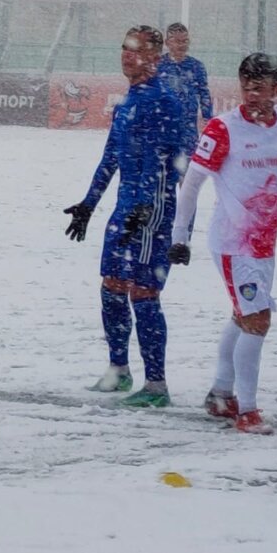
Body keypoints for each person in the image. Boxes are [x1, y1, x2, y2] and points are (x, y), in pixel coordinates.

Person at [168, 52, 277, 435]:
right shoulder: (222, 129)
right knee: (258, 320)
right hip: (232, 242)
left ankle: (221, 395)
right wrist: (180, 237)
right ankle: (248, 412)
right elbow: (191, 184)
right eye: (246, 86)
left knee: (243, 316)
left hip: (265, 241)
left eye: (260, 87)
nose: (251, 94)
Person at [63, 25, 184, 407]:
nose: (127, 55)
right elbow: (112, 156)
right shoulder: (129, 101)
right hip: (125, 206)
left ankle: (156, 386)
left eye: (136, 49)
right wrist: (88, 204)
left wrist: (146, 207)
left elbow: (165, 163)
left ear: (154, 57)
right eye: (124, 47)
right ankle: (118, 370)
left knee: (144, 293)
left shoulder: (163, 100)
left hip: (153, 210)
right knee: (112, 285)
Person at [157, 22, 213, 171]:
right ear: (168, 42)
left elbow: (204, 92)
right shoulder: (158, 65)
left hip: (187, 128)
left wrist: (208, 116)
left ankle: (184, 195)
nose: (182, 45)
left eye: (185, 41)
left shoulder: (196, 66)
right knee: (163, 173)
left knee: (186, 171)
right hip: (162, 127)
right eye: (177, 41)